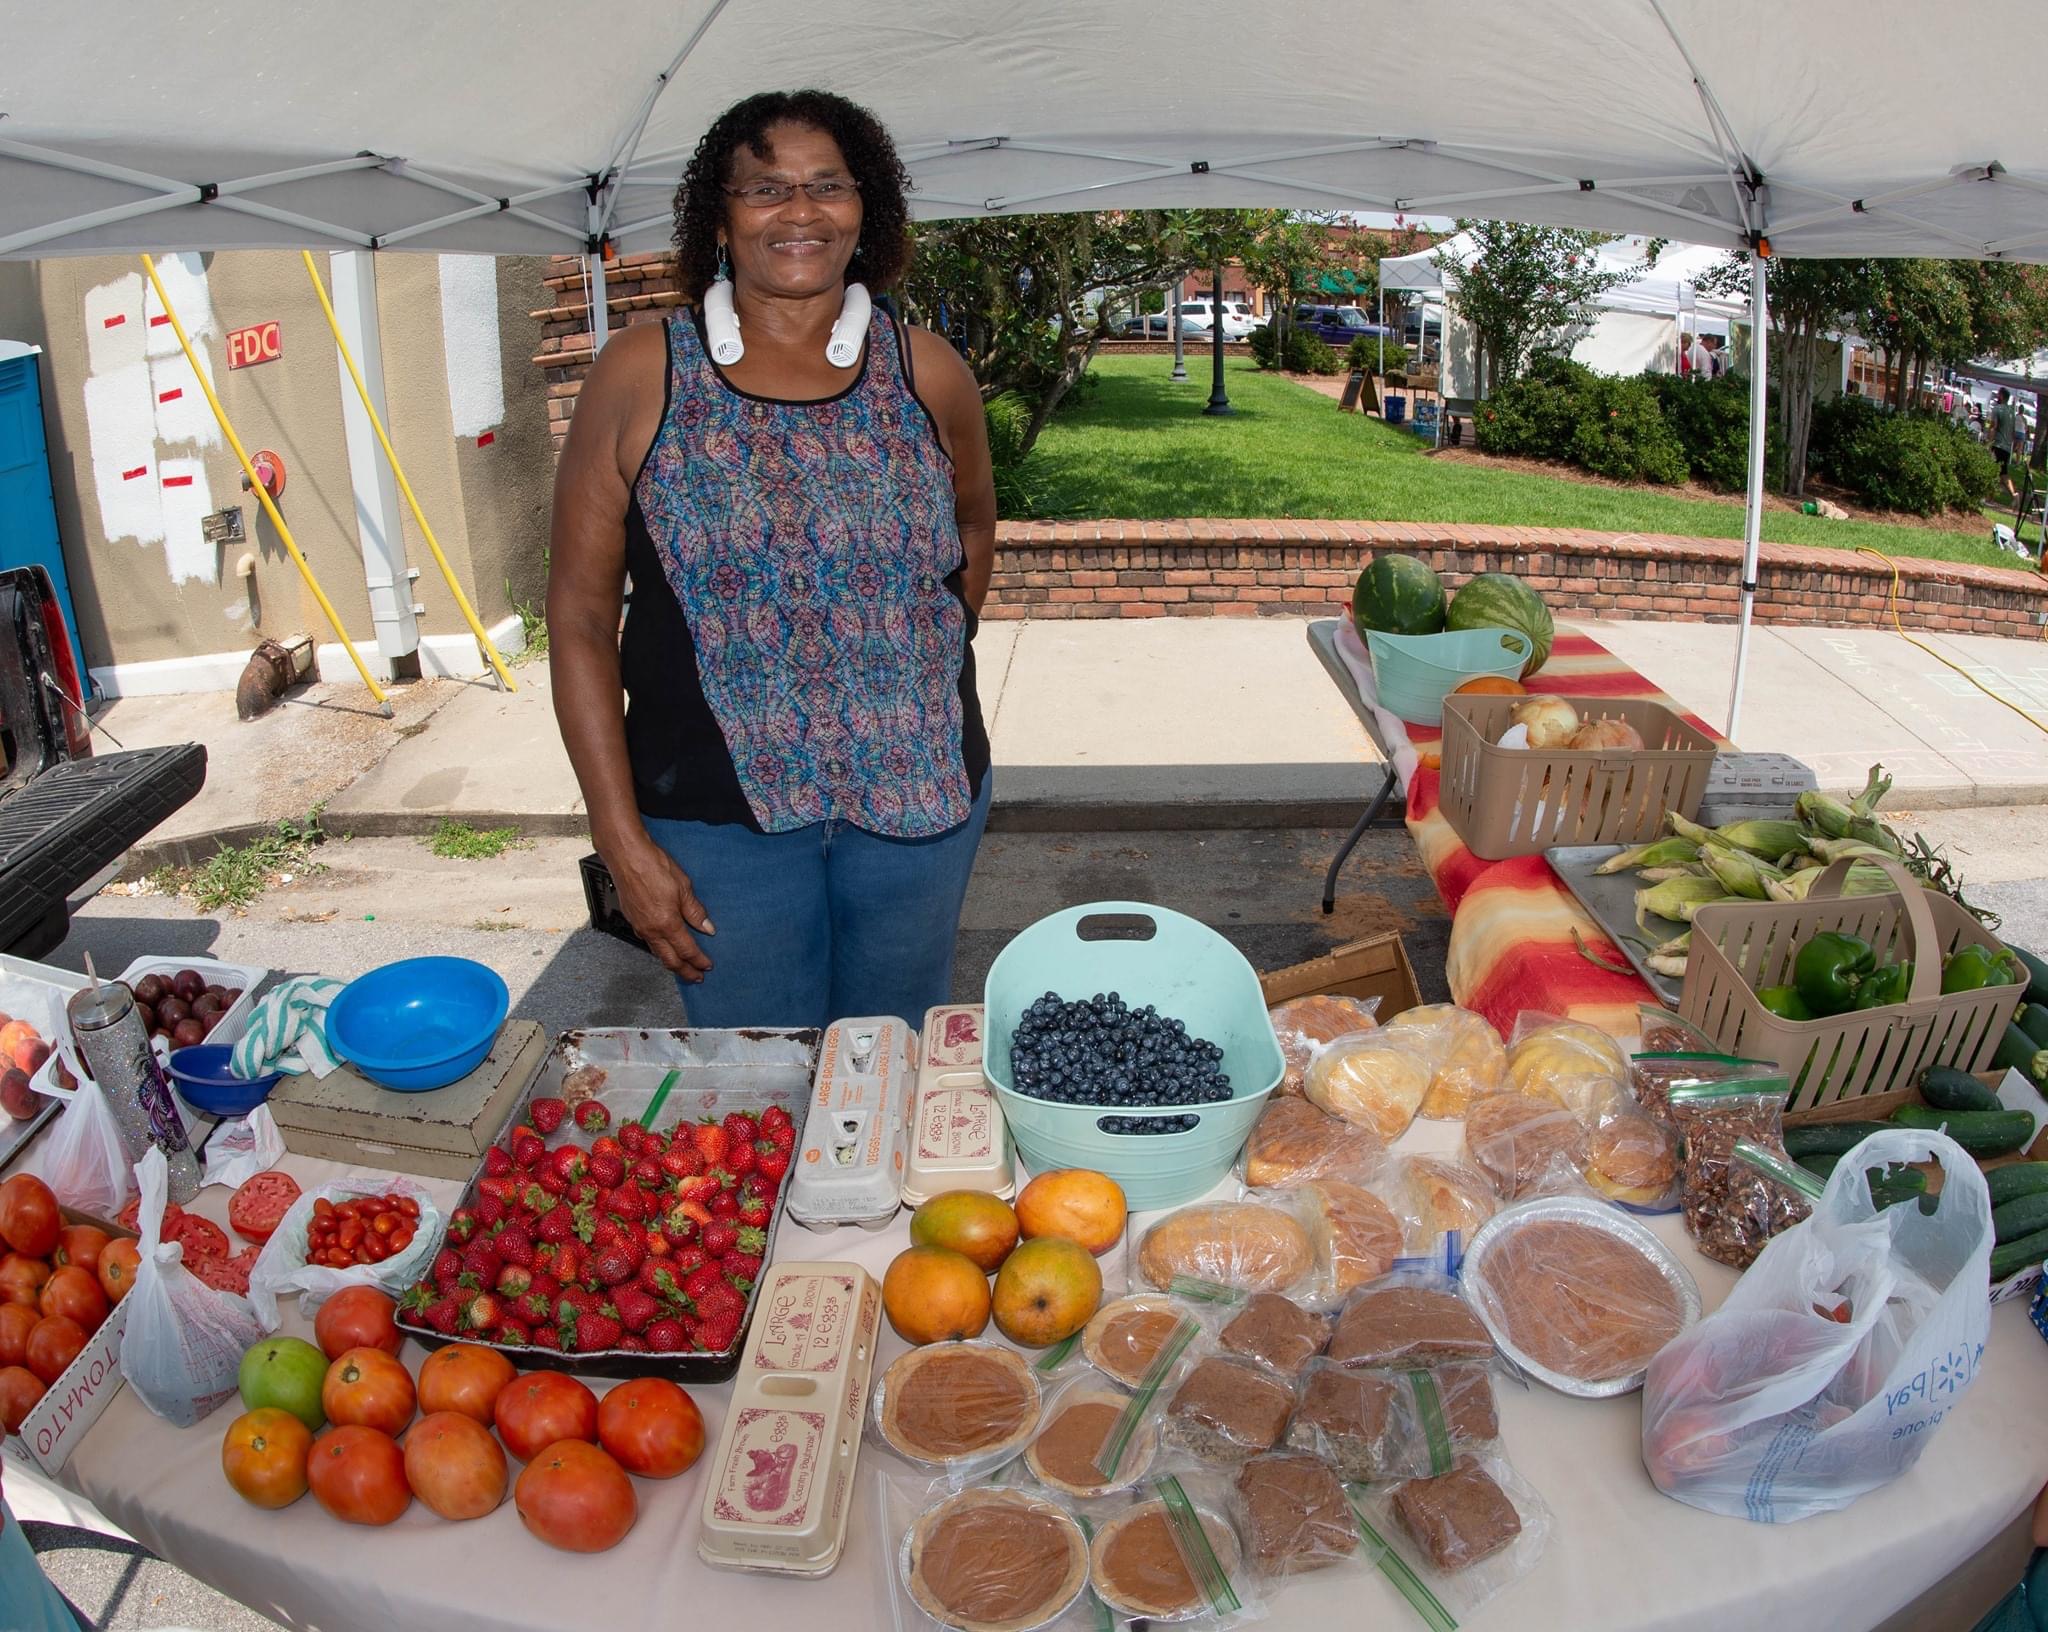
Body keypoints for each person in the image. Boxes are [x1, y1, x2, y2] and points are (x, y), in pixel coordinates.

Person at [548, 89, 996, 1030]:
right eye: (765, 189)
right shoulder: (639, 373)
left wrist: (921, 663)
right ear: (719, 219)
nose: (800, 211)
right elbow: (581, 617)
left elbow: (973, 530)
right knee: (759, 1074)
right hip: (712, 822)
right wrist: (618, 837)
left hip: (919, 797)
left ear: (865, 208)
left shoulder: (928, 371)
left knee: (888, 1061)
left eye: (828, 185)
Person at [1993, 388, 2021, 497]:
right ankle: (1991, 496)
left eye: (1998, 395)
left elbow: (1994, 426)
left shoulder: (1997, 409)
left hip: (1998, 444)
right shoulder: (2011, 413)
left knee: (1998, 472)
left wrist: (1988, 441)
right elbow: (2013, 431)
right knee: (2001, 472)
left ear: (2001, 396)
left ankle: (2013, 494)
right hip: (2007, 447)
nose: (1997, 397)